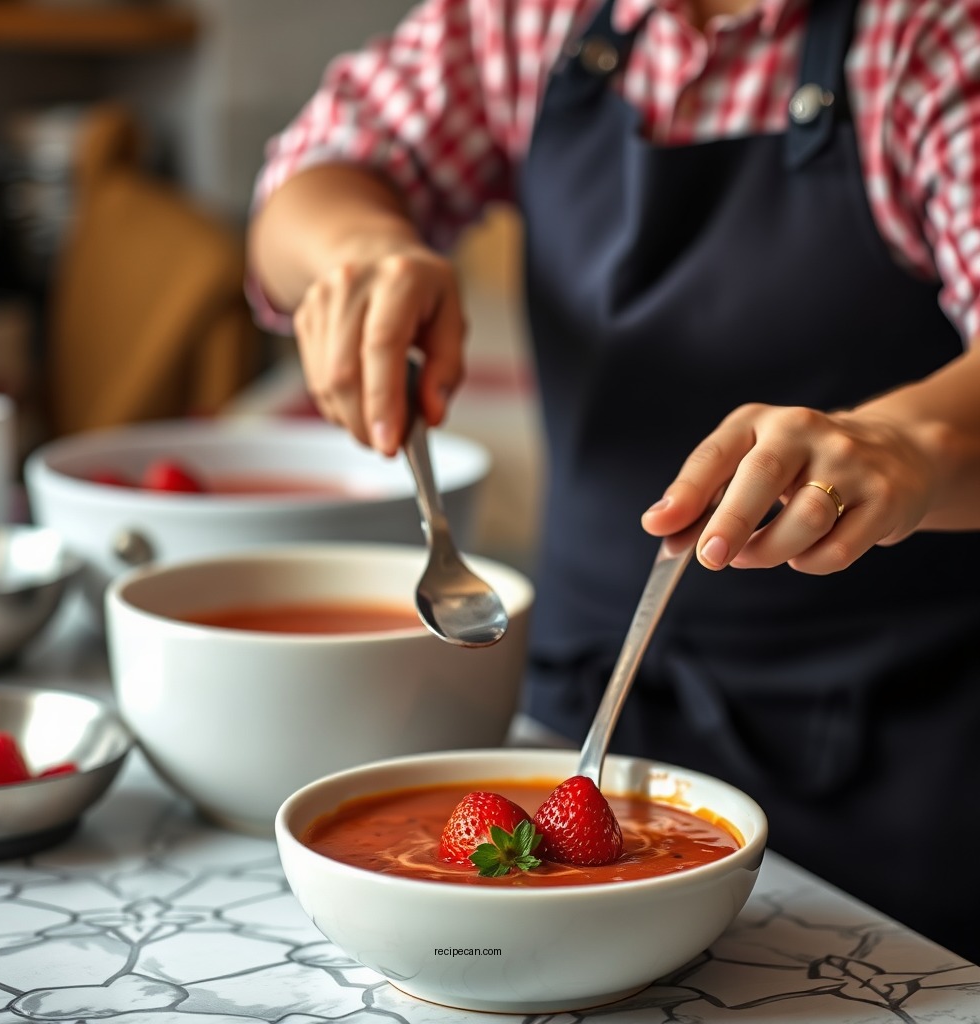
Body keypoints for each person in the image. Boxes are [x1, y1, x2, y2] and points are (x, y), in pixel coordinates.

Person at [246, 0, 980, 962]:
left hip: (907, 775)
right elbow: (310, 178)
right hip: (580, 709)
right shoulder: (526, 18)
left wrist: (907, 443)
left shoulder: (931, 35)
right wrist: (359, 253)